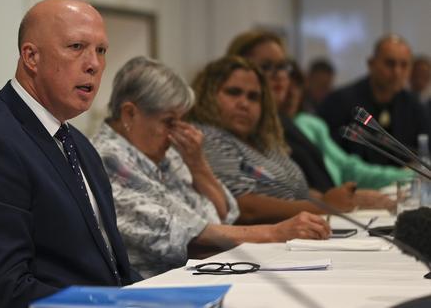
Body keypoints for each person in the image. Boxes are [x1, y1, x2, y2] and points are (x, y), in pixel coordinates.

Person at [0, 0, 137, 308]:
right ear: (31, 56)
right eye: (76, 47)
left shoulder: (79, 145)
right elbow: (3, 288)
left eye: (101, 50)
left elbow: (111, 271)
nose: (94, 64)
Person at [92, 56, 330, 278]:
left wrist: (198, 165)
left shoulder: (166, 152)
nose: (176, 133)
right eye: (168, 122)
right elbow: (182, 234)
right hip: (152, 287)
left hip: (201, 272)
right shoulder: (105, 158)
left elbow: (223, 216)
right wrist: (275, 233)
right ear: (130, 114)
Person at [187, 55, 357, 224]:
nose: (244, 104)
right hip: (256, 243)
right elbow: (244, 207)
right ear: (207, 95)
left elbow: (296, 191)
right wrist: (324, 207)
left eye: (253, 97)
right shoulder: (207, 137)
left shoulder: (263, 140)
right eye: (233, 92)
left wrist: (340, 198)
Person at [282, 60, 412, 190]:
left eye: (297, 85)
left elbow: (347, 167)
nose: (291, 93)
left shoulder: (309, 123)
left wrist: (406, 175)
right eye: (282, 85)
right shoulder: (339, 102)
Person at [318, 35, 431, 165]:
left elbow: (424, 154)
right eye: (390, 63)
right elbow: (331, 159)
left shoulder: (415, 107)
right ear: (371, 64)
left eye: (404, 65)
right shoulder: (339, 102)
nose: (397, 72)